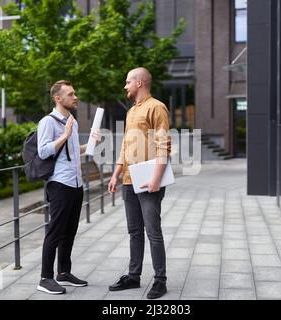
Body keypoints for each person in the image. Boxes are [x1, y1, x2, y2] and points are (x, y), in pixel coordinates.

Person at [108, 67, 171, 299]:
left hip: (148, 181)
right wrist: (115, 174)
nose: (125, 86)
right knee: (134, 231)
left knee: (153, 232)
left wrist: (156, 179)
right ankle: (133, 276)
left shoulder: (157, 107)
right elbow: (126, 146)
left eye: (127, 82)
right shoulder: (131, 111)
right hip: (128, 180)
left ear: (139, 83)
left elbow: (164, 145)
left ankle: (160, 281)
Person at [36, 80, 101, 295]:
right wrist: (64, 135)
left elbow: (74, 151)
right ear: (58, 98)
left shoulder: (70, 120)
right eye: (71, 94)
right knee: (55, 231)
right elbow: (44, 151)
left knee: (70, 232)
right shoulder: (48, 122)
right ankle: (45, 278)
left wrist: (92, 143)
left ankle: (63, 272)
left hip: (75, 183)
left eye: (75, 93)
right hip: (60, 184)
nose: (75, 97)